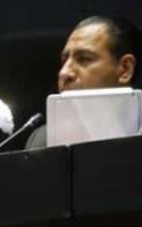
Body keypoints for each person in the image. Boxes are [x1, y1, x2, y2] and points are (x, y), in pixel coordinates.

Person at [26, 15, 140, 150]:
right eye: (64, 60)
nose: (64, 73)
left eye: (84, 59)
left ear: (125, 69)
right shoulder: (43, 141)